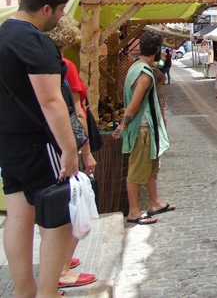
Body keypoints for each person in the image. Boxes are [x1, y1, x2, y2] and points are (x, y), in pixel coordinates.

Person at [0, 0, 79, 298]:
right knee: (60, 218)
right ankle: (47, 293)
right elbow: (51, 101)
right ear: (46, 8)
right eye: (60, 10)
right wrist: (70, 150)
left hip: (9, 142)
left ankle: (25, 291)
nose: (61, 16)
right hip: (39, 142)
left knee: (18, 215)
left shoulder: (3, 34)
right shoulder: (34, 42)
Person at [45, 17, 98, 290]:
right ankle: (63, 268)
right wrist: (85, 151)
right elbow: (78, 112)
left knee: (49, 209)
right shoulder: (64, 66)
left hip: (42, 144)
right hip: (65, 145)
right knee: (71, 204)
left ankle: (58, 263)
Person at [112, 30, 175, 225]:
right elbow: (134, 105)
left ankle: (155, 202)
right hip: (143, 128)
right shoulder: (144, 74)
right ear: (157, 49)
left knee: (151, 166)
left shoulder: (139, 67)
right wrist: (124, 124)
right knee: (137, 170)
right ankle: (134, 211)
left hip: (149, 128)